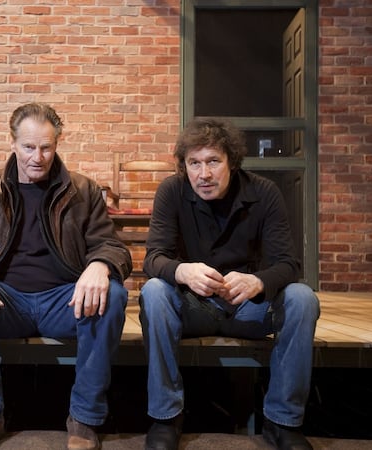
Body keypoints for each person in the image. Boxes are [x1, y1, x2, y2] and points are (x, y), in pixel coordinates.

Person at [0, 102, 133, 450]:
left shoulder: (83, 191)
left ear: (58, 144)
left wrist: (100, 266)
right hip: (4, 300)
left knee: (113, 296)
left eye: (46, 147)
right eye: (29, 147)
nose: (38, 157)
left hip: (65, 300)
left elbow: (112, 246)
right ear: (12, 143)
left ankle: (84, 419)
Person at [139, 117, 320, 450]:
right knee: (153, 290)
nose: (203, 174)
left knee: (302, 298)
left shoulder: (264, 192)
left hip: (246, 310)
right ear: (184, 166)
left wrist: (258, 281)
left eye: (213, 162)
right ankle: (165, 417)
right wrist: (183, 271)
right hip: (192, 308)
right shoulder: (171, 191)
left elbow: (289, 265)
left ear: (232, 163)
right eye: (194, 163)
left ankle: (283, 423)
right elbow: (153, 259)